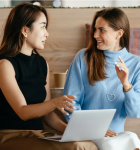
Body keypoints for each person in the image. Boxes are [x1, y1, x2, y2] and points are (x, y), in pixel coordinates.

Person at [0, 3, 98, 150]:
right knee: (77, 147)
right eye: (42, 26)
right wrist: (55, 102)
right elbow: (23, 112)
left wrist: (75, 132)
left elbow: (47, 115)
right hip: (11, 134)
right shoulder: (5, 64)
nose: (47, 33)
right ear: (25, 30)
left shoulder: (42, 63)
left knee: (87, 144)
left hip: (38, 134)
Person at [63, 7, 140, 150]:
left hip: (116, 135)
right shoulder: (83, 58)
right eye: (95, 29)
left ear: (119, 33)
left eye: (102, 30)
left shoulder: (137, 65)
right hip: (87, 133)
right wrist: (93, 129)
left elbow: (136, 112)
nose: (95, 34)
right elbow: (69, 105)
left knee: (132, 138)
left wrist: (126, 85)